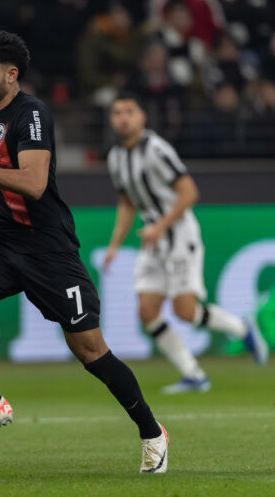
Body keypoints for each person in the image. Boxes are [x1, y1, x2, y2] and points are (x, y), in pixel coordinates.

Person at [0, 31, 168, 473]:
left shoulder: (31, 113)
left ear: (11, 74)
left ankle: (152, 431)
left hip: (47, 252)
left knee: (92, 353)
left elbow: (34, 183)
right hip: (1, 245)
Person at [103, 92, 268, 393]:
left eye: (129, 111)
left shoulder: (156, 149)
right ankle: (193, 374)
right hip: (152, 238)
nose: (123, 118)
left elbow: (189, 192)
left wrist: (161, 226)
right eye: (117, 113)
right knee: (147, 311)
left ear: (142, 117)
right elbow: (126, 203)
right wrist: (115, 245)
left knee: (185, 312)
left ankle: (242, 329)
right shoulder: (115, 158)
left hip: (178, 234)